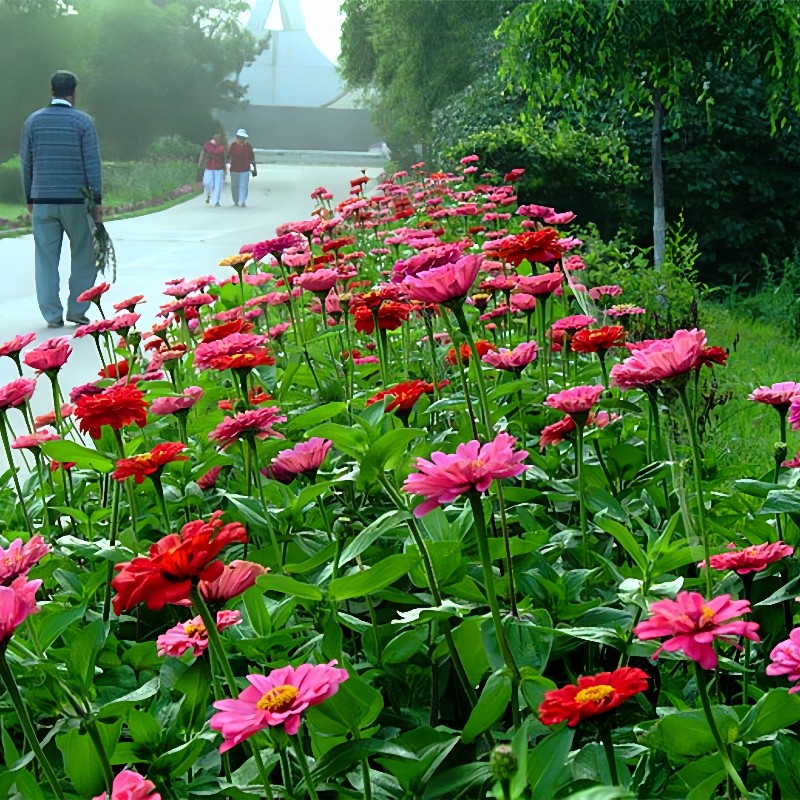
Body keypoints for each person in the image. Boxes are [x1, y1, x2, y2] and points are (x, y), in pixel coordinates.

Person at [20, 70, 102, 328]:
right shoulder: (83, 122)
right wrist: (96, 200)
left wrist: (29, 196)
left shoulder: (33, 121)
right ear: (74, 92)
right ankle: (78, 309)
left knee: (45, 258)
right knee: (83, 254)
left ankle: (51, 315)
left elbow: (26, 162)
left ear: (51, 90)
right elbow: (92, 164)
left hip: (43, 199)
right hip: (76, 202)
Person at [228, 128, 256, 207]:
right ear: (237, 137)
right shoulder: (233, 146)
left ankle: (242, 201)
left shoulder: (248, 147)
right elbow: (228, 156)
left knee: (243, 185)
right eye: (240, 137)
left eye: (243, 138)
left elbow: (252, 159)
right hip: (234, 169)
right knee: (234, 186)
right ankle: (235, 201)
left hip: (245, 169)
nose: (241, 139)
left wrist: (254, 171)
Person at [198, 132, 226, 206]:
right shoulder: (208, 145)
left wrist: (224, 169)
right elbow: (203, 153)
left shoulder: (221, 146)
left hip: (219, 167)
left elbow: (224, 157)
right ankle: (208, 194)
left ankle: (216, 201)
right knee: (207, 182)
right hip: (209, 166)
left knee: (218, 184)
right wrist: (201, 162)